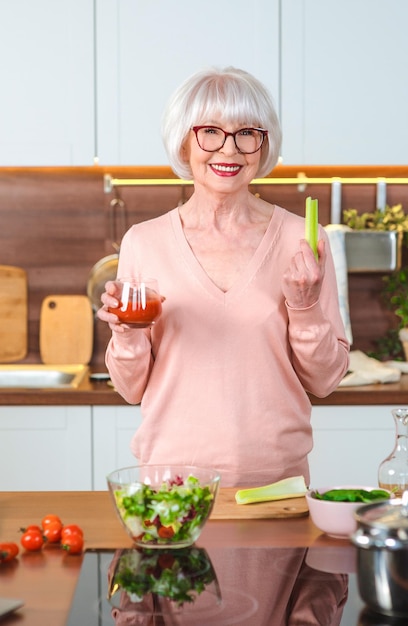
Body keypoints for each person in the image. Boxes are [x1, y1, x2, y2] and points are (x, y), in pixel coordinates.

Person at [97, 66, 349, 488]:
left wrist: (304, 308)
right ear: (183, 141)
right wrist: (126, 335)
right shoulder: (144, 242)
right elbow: (130, 388)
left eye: (247, 132)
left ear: (264, 144)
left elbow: (324, 381)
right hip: (172, 486)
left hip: (276, 486)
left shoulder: (300, 238)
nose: (229, 150)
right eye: (210, 132)